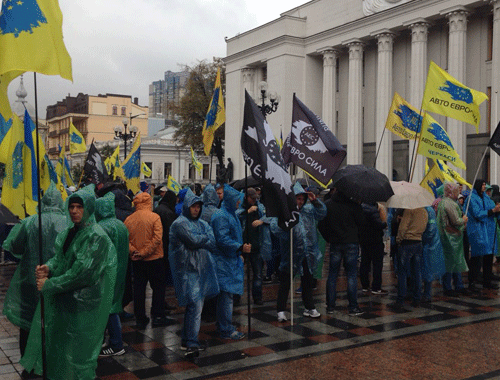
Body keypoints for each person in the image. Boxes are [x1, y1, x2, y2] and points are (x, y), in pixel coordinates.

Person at [21, 186, 117, 379]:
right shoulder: (69, 232)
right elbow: (60, 259)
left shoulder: (96, 236)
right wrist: (48, 267)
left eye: (79, 207)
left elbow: (82, 274)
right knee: (64, 352)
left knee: (80, 356)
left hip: (84, 306)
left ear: (88, 208)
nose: (74, 211)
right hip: (67, 302)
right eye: (71, 206)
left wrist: (50, 285)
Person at [2, 183, 66, 359]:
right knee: (54, 319)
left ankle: (29, 360)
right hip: (56, 280)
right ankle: (51, 359)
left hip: (30, 278)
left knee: (28, 321)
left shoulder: (31, 221)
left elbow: (15, 245)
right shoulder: (68, 223)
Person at [169, 189, 219, 357]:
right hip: (187, 272)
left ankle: (188, 340)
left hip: (201, 271)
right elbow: (193, 241)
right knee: (195, 307)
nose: (196, 209)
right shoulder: (180, 223)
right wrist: (202, 239)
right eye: (193, 206)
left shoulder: (202, 224)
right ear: (187, 207)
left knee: (195, 307)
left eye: (198, 206)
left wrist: (201, 239)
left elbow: (212, 242)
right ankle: (191, 342)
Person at [125, 192, 172, 328]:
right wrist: (145, 253)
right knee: (158, 288)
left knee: (139, 289)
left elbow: (126, 239)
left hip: (137, 260)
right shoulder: (154, 217)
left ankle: (140, 317)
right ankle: (157, 315)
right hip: (154, 259)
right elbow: (157, 239)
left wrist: (135, 252)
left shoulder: (129, 219)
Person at [319, 189, 365, 316]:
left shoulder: (328, 204)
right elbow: (362, 224)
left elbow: (321, 224)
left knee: (333, 275)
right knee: (351, 274)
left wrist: (328, 238)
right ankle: (353, 307)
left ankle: (330, 306)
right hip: (351, 242)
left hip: (335, 243)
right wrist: (358, 238)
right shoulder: (354, 205)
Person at [211, 184, 248, 340]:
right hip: (223, 262)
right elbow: (222, 239)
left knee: (226, 296)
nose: (239, 203)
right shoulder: (221, 216)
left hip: (229, 260)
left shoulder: (230, 214)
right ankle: (226, 329)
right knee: (226, 297)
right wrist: (239, 247)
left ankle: (223, 325)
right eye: (238, 201)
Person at [95, 192, 130, 356]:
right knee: (113, 306)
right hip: (120, 271)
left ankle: (116, 344)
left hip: (106, 274)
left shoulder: (102, 227)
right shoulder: (120, 225)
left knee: (109, 309)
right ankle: (108, 341)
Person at [236, 187, 272, 306]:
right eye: (252, 198)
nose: (254, 200)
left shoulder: (260, 207)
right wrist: (247, 211)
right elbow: (235, 216)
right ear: (246, 198)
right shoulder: (241, 207)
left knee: (257, 273)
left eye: (255, 198)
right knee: (238, 272)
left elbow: (270, 216)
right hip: (242, 245)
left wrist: (262, 221)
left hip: (256, 245)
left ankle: (257, 297)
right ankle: (236, 297)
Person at [466, 179, 500, 291]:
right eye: (483, 184)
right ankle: (472, 282)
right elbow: (477, 213)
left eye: (485, 184)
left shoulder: (486, 197)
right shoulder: (472, 198)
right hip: (478, 231)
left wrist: (497, 209)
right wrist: (492, 211)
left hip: (488, 231)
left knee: (488, 257)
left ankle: (487, 281)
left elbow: (492, 208)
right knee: (476, 258)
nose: (484, 186)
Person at [437, 182, 469, 296]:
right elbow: (456, 220)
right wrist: (464, 220)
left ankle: (458, 285)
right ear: (450, 192)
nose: (458, 192)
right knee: (451, 263)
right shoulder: (449, 203)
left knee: (454, 262)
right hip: (451, 238)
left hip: (451, 237)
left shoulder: (445, 202)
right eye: (456, 191)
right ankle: (449, 287)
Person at [394, 207, 428, 308]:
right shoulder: (424, 211)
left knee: (402, 272)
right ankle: (417, 298)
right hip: (418, 241)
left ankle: (400, 299)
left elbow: (403, 227)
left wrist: (398, 239)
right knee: (417, 272)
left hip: (407, 242)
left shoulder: (410, 210)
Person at [154, 188, 178, 310]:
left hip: (157, 248)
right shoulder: (168, 212)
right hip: (164, 248)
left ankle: (158, 304)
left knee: (158, 280)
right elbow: (170, 233)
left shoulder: (158, 208)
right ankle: (159, 306)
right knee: (161, 280)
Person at [359, 202, 388, 295]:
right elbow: (379, 225)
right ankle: (376, 287)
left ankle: (365, 285)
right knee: (377, 265)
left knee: (365, 263)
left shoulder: (360, 208)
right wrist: (385, 223)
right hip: (375, 240)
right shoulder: (373, 211)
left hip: (364, 239)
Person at [421, 206, 446, 302]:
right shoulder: (422, 209)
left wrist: (423, 239)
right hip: (424, 244)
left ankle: (427, 293)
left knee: (428, 269)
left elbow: (431, 229)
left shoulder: (428, 210)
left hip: (428, 245)